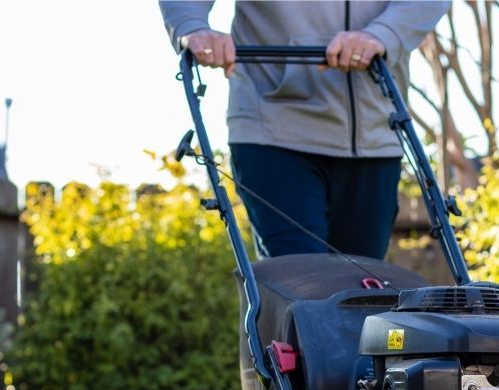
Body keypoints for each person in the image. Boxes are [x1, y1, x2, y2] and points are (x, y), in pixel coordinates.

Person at [160, 1, 450, 259]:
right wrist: (193, 28)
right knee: (300, 281)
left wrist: (383, 34)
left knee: (364, 289)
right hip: (273, 126)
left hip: (375, 132)